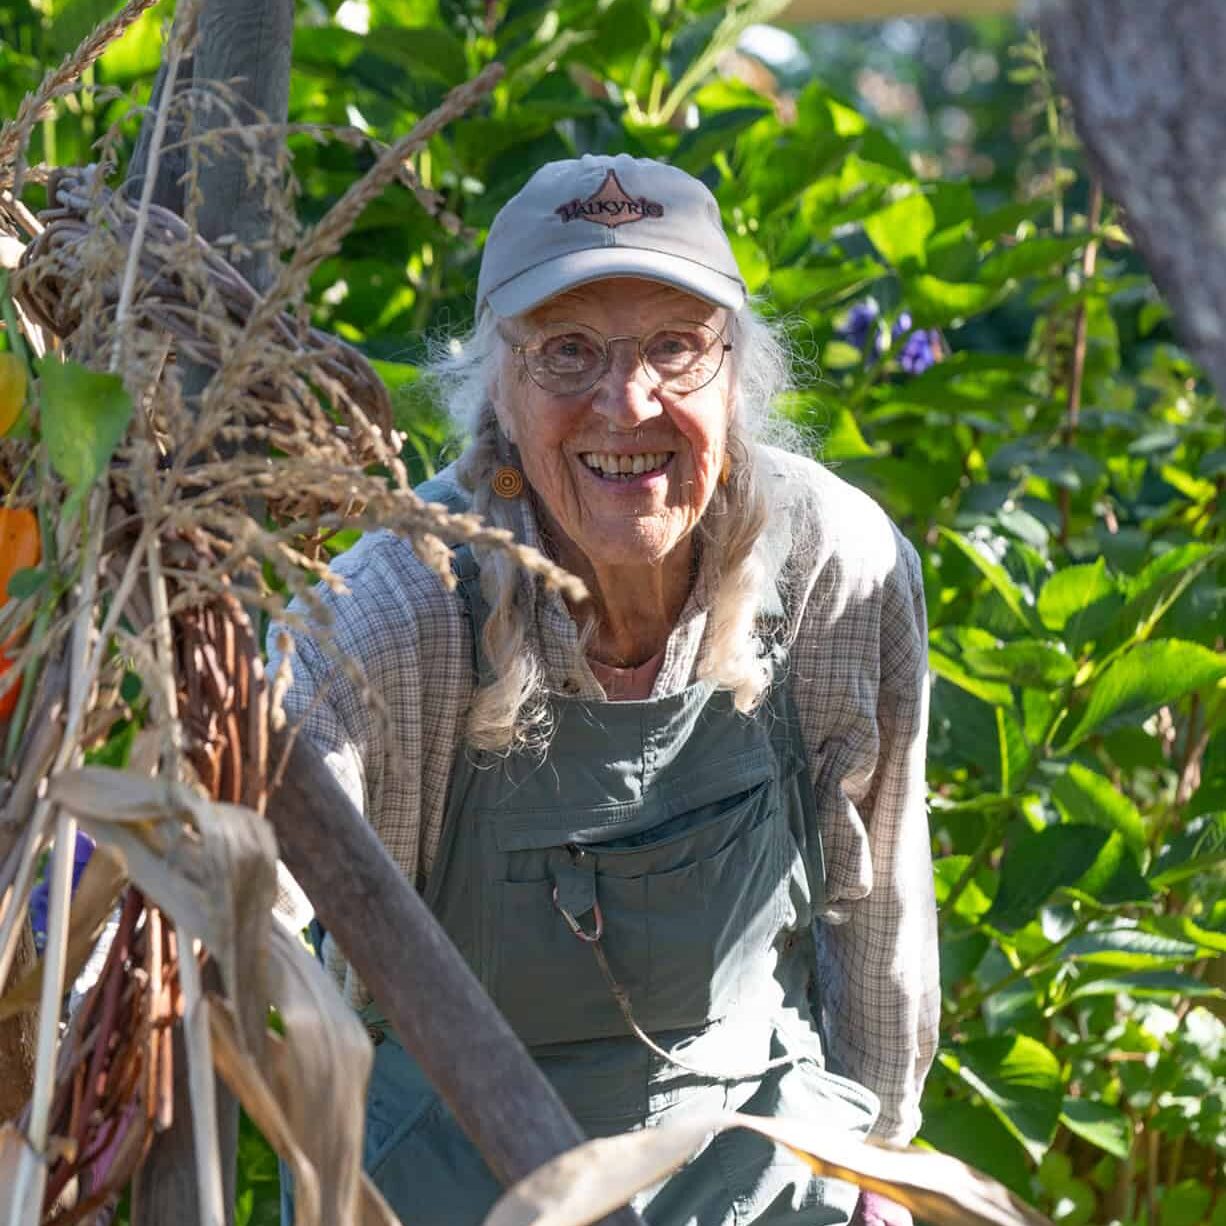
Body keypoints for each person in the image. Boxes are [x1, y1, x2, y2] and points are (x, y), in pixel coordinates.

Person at [274, 153, 939, 1226]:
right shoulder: (394, 609)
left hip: (748, 1166)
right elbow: (251, 888)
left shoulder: (833, 568)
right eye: (567, 351)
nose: (625, 404)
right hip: (447, 1177)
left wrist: (879, 1162)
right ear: (497, 382)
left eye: (675, 348)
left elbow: (876, 903)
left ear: (736, 372)